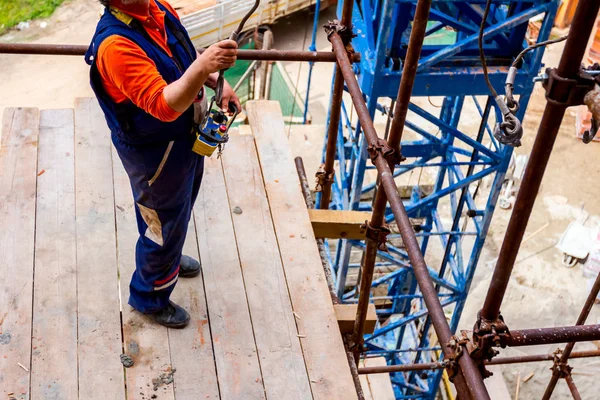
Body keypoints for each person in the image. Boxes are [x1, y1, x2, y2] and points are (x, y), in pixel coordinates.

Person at [85, 0, 241, 328]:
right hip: (153, 152)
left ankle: (168, 258)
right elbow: (163, 105)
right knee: (161, 223)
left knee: (180, 207)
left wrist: (216, 79)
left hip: (181, 137)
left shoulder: (156, 8)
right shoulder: (116, 46)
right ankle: (149, 297)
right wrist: (203, 68)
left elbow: (180, 55)